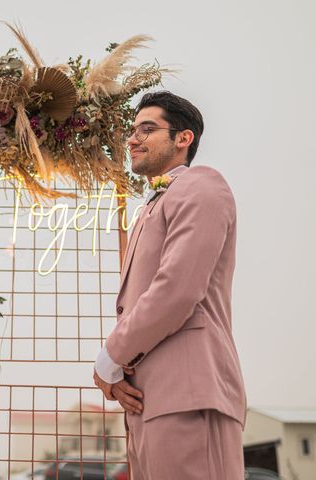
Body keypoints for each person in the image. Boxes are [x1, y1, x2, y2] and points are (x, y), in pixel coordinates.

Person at [93, 92, 247, 479]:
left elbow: (177, 289)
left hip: (190, 394)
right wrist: (119, 373)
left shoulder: (201, 185)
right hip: (148, 403)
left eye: (148, 129)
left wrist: (110, 356)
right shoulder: (150, 207)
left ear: (184, 138)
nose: (132, 139)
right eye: (132, 130)